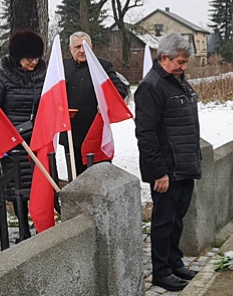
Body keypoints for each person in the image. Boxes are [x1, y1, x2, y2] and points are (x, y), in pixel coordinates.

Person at [135, 32, 201, 292]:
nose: (184, 68)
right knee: (163, 222)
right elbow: (146, 134)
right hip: (167, 169)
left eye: (186, 63)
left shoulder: (179, 82)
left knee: (177, 219)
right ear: (164, 58)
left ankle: (175, 262)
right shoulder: (150, 87)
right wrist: (158, 172)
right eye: (180, 63)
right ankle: (161, 271)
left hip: (184, 165)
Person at [0, 30, 47, 240]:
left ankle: (41, 224)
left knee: (40, 185)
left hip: (39, 139)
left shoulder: (44, 73)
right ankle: (23, 230)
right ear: (17, 57)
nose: (34, 61)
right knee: (18, 188)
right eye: (29, 58)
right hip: (14, 142)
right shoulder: (2, 77)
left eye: (37, 57)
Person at [61, 31, 129, 175]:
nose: (81, 51)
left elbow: (119, 89)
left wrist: (105, 103)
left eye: (85, 46)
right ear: (70, 49)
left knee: (98, 176)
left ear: (91, 47)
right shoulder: (62, 67)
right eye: (77, 47)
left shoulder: (102, 66)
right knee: (75, 177)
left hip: (95, 133)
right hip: (70, 134)